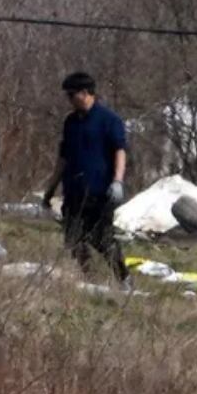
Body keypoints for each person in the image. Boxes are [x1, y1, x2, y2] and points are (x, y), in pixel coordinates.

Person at [41, 72, 132, 289]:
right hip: (73, 190)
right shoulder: (70, 122)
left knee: (102, 239)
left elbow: (120, 150)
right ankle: (89, 280)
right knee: (73, 238)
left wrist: (118, 181)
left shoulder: (109, 120)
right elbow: (63, 158)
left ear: (85, 93)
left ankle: (124, 278)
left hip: (99, 190)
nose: (69, 100)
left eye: (71, 95)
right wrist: (51, 188)